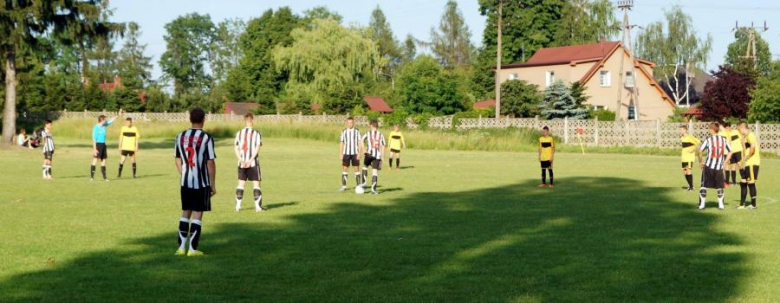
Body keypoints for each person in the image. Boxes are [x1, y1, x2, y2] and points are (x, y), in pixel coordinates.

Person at [174, 108, 217, 257]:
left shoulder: (180, 136)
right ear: (203, 119)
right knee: (197, 213)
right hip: (201, 182)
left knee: (186, 211)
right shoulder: (206, 137)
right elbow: (210, 162)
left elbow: (177, 159)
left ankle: (181, 248)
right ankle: (192, 249)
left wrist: (184, 173)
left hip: (185, 181)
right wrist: (212, 183)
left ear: (190, 119)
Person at [697, 122, 732, 210]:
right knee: (719, 186)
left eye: (709, 129)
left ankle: (702, 205)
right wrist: (725, 162)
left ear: (712, 130)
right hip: (719, 167)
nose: (709, 130)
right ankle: (721, 205)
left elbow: (700, 151)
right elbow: (730, 151)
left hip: (708, 166)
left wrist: (701, 162)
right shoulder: (724, 140)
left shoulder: (708, 140)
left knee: (703, 185)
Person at [233, 113, 263, 212]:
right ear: (252, 120)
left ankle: (238, 206)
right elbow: (257, 147)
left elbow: (236, 148)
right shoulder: (257, 133)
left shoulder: (239, 133)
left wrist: (241, 159)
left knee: (241, 185)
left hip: (242, 163)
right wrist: (250, 160)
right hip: (253, 162)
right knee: (256, 185)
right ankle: (258, 207)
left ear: (245, 121)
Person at [91, 109, 122, 181]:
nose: (106, 120)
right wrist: (94, 149)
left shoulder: (104, 125)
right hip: (98, 145)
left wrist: (118, 115)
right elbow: (94, 140)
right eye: (104, 119)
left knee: (103, 161)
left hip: (103, 145)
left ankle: (105, 177)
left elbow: (111, 120)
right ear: (101, 120)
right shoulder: (96, 128)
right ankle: (92, 177)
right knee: (95, 160)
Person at [737, 122, 760, 210]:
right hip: (747, 163)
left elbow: (753, 149)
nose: (739, 132)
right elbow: (745, 150)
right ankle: (742, 204)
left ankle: (753, 205)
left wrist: (747, 157)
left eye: (739, 130)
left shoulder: (751, 135)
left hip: (752, 162)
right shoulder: (745, 137)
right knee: (743, 182)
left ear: (742, 128)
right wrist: (743, 145)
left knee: (751, 182)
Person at [361, 120, 386, 195]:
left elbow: (361, 140)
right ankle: (373, 189)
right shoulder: (381, 134)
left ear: (371, 126)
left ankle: (364, 182)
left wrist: (363, 149)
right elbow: (383, 146)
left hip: (369, 154)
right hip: (377, 156)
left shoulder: (368, 133)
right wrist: (382, 157)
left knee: (365, 166)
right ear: (377, 126)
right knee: (375, 172)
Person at [339, 117, 364, 192]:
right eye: (348, 122)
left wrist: (359, 153)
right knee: (345, 169)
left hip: (355, 153)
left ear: (354, 123)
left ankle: (358, 186)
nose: (350, 124)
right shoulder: (343, 131)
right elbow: (341, 142)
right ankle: (344, 186)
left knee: (356, 168)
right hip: (346, 153)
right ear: (346, 123)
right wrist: (340, 153)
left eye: (351, 123)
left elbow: (359, 142)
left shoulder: (357, 131)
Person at [680, 125, 700, 191]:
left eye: (682, 130)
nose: (681, 131)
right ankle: (690, 185)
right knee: (684, 171)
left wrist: (693, 149)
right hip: (684, 157)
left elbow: (698, 142)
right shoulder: (682, 138)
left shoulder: (690, 137)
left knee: (688, 170)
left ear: (685, 130)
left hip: (689, 157)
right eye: (680, 130)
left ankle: (691, 187)